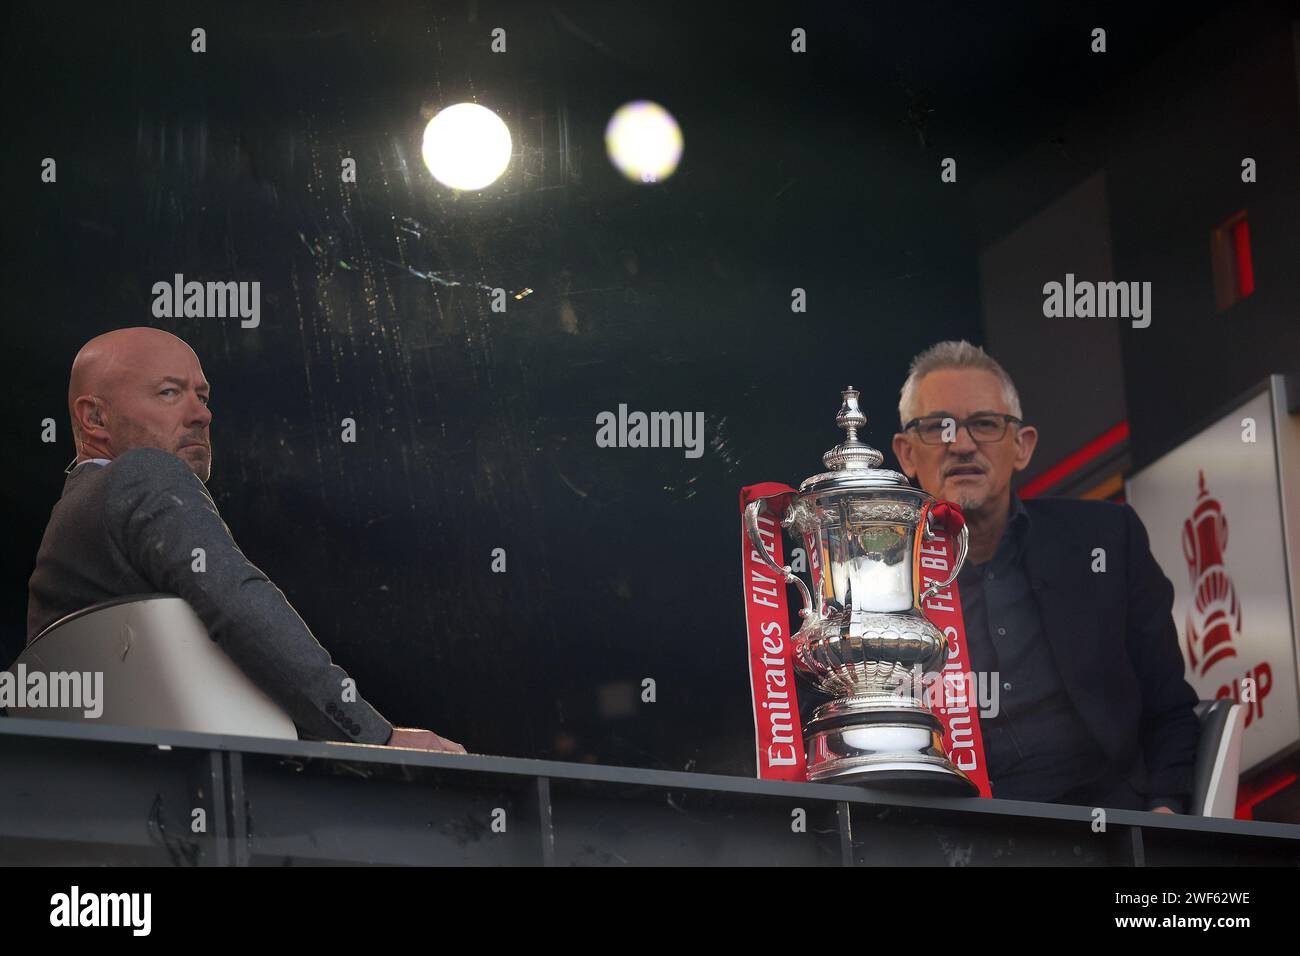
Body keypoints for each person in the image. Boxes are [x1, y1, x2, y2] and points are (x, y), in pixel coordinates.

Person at [26, 327, 464, 753]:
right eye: (169, 392)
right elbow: (239, 604)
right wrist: (376, 738)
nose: (202, 414)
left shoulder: (65, 530)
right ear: (94, 417)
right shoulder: (143, 472)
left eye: (203, 395)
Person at [886, 340, 1200, 813]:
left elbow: (1169, 708)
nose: (963, 444)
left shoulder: (1107, 542)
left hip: (1111, 832)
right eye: (938, 428)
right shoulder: (876, 584)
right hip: (951, 837)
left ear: (1022, 446)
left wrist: (1165, 814)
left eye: (985, 424)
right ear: (907, 455)